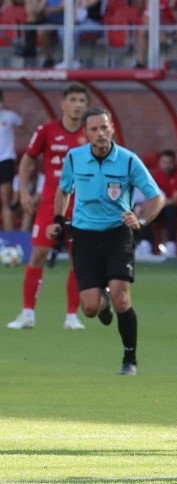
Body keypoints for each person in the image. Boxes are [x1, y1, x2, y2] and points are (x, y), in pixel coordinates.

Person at [48, 107, 165, 376]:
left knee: (122, 299)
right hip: (84, 236)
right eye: (94, 129)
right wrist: (57, 219)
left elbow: (156, 197)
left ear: (112, 128)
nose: (100, 134)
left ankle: (130, 360)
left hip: (117, 234)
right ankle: (103, 303)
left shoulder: (128, 160)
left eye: (104, 128)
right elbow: (64, 190)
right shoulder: (75, 158)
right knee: (89, 308)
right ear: (86, 133)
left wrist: (141, 221)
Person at [7, 83, 89, 331]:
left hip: (82, 205)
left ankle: (72, 316)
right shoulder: (47, 130)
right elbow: (27, 161)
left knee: (78, 259)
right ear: (63, 104)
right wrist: (23, 192)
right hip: (49, 204)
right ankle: (27, 313)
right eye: (73, 100)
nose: (77, 105)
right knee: (38, 254)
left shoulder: (91, 133)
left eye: (82, 101)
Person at [137, 149, 177, 257]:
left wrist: (156, 205)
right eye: (164, 162)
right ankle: (145, 245)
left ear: (174, 163)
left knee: (172, 210)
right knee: (142, 211)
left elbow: (175, 200)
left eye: (170, 162)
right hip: (160, 210)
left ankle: (171, 246)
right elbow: (151, 197)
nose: (167, 165)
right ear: (160, 163)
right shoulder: (156, 175)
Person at [135, 0, 177, 72]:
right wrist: (157, 32)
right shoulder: (156, 1)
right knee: (143, 30)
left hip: (174, 28)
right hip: (159, 29)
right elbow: (146, 19)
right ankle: (141, 63)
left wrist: (173, 9)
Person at [0, 88, 23, 232]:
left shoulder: (9, 116)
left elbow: (25, 126)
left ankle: (9, 238)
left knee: (6, 201)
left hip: (5, 161)